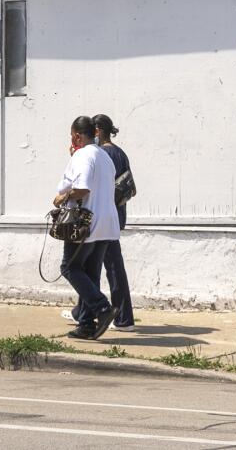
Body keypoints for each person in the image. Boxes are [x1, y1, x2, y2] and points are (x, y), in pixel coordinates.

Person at [51, 112, 118, 339]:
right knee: (90, 272)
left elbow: (83, 188)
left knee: (69, 267)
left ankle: (102, 308)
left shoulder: (83, 156)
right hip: (106, 223)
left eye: (72, 136)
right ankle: (87, 323)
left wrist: (63, 197)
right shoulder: (104, 156)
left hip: (85, 223)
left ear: (78, 137)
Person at [92, 114, 136, 329]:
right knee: (101, 265)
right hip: (116, 216)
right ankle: (85, 311)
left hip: (103, 218)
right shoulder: (120, 153)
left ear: (98, 130)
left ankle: (122, 317)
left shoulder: (102, 154)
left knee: (106, 267)